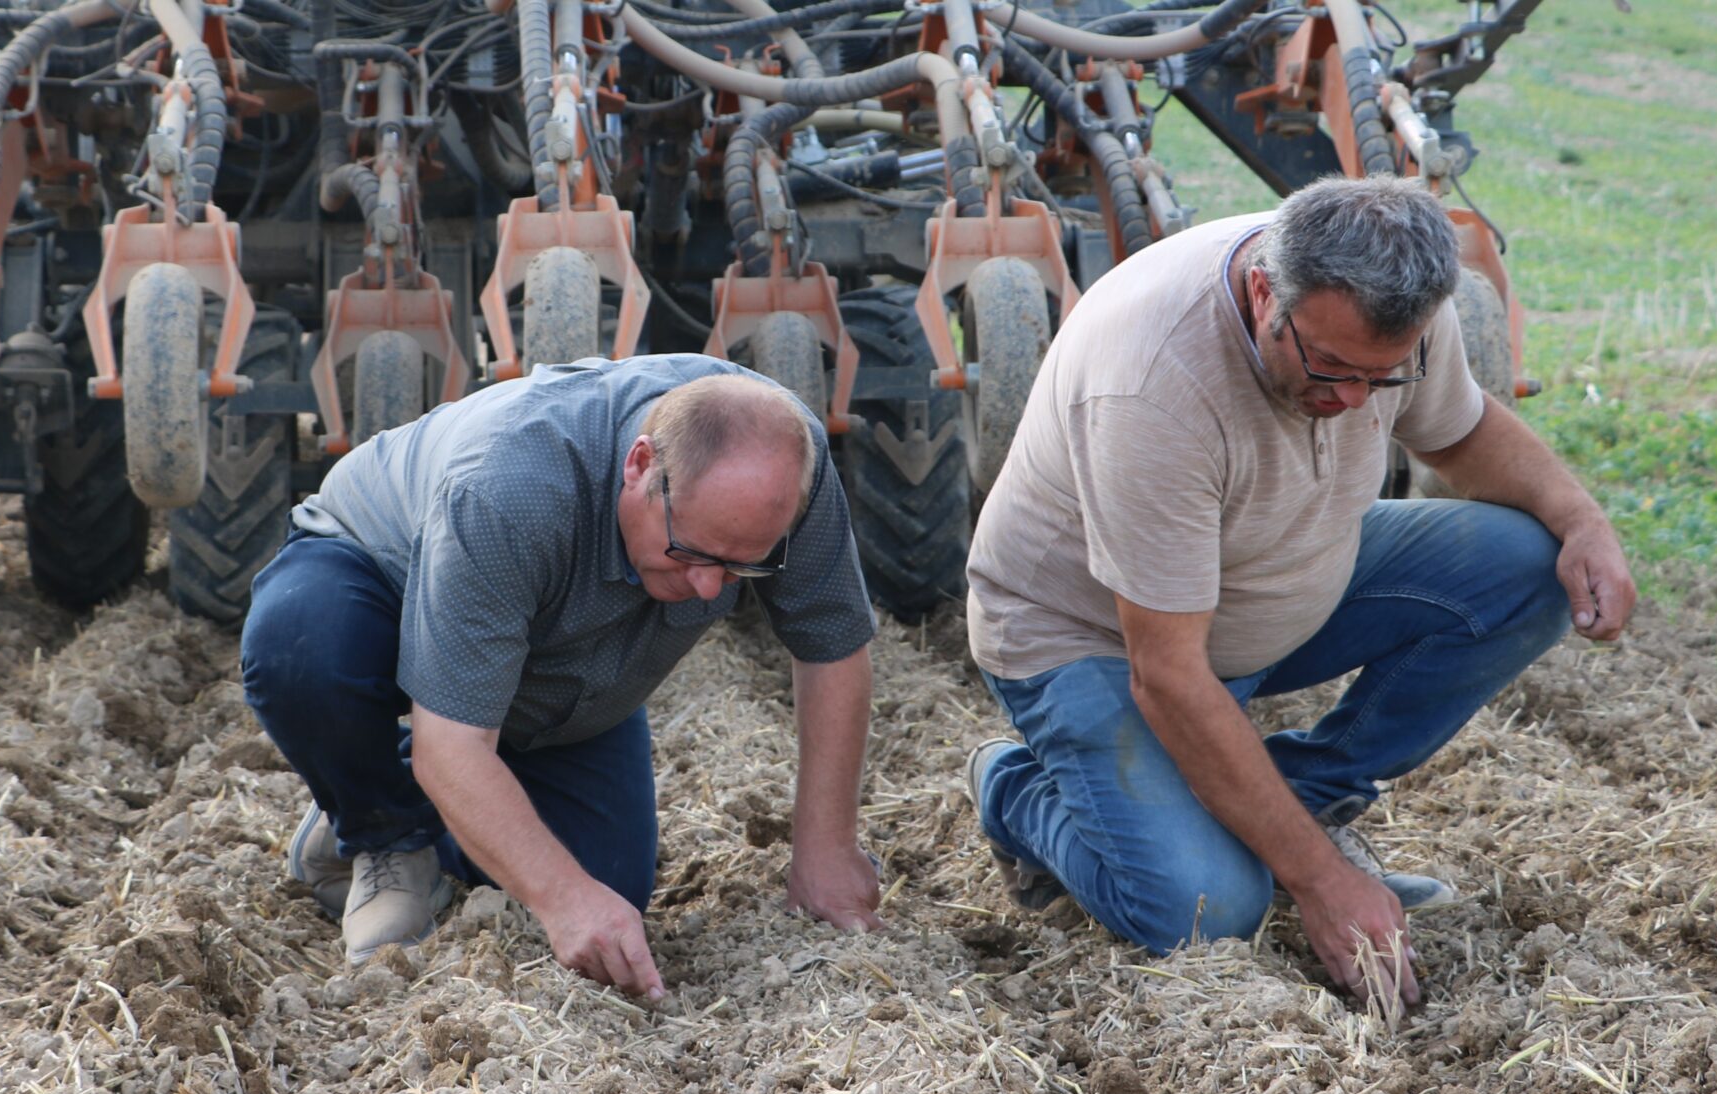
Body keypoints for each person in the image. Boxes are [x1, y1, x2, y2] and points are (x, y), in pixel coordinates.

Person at [963, 175, 1636, 1008]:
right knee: (1205, 912)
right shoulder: (1150, 382)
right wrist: (1322, 885)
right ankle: (1014, 789)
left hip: (1275, 571)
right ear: (1261, 291)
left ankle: (1292, 804)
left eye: (1379, 379)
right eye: (1329, 367)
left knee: (1527, 562)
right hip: (1089, 639)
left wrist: (1582, 519)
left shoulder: (1399, 307)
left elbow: (1460, 432)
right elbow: (1168, 675)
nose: (1351, 400)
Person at [241, 357, 883, 995]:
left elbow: (832, 646)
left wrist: (826, 847)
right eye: (691, 552)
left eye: (743, 568)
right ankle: (381, 828)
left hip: (568, 683)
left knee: (611, 886)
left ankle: (421, 799)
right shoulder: (508, 487)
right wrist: (563, 899)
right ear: (640, 467)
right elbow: (454, 747)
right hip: (382, 573)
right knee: (301, 647)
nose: (710, 586)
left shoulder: (788, 462)